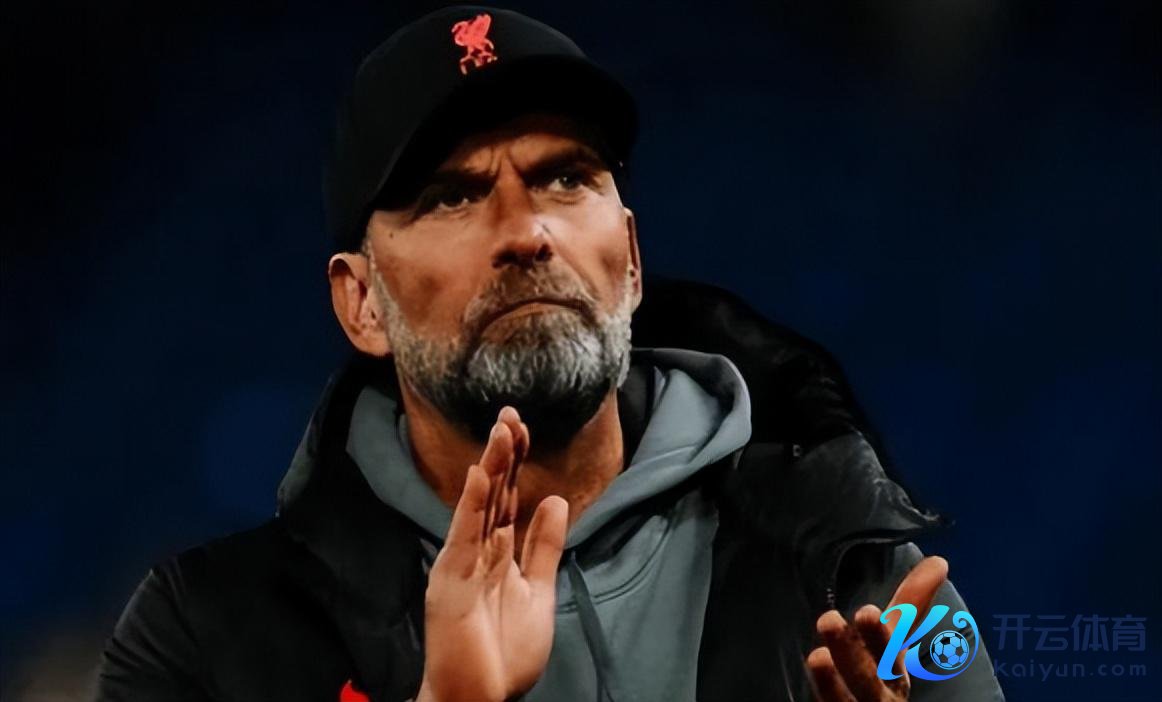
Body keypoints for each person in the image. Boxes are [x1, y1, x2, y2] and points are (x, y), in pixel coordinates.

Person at [93, 6, 1005, 702]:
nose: (526, 232)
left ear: (632, 259)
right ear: (361, 301)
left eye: (566, 178)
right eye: (452, 196)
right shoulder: (204, 638)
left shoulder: (866, 576)